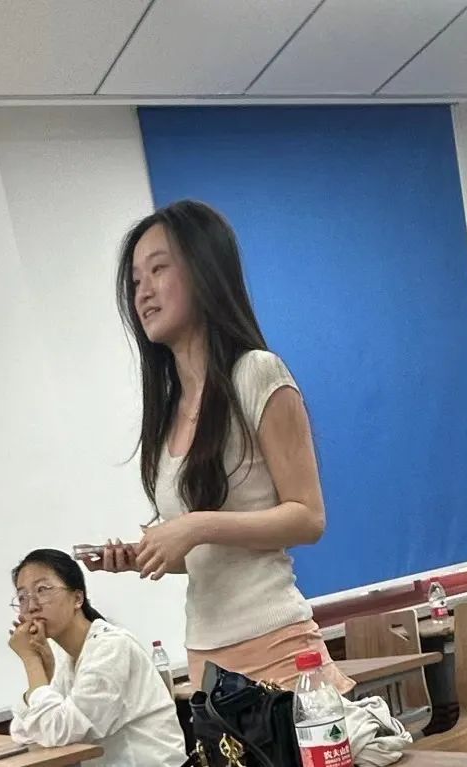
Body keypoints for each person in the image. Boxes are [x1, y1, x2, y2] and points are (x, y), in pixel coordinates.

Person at [83, 199, 354, 694]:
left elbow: (308, 517)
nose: (143, 291)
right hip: (205, 656)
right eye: (136, 280)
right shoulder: (169, 410)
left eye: (159, 269)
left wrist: (194, 526)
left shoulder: (256, 373)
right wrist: (148, 553)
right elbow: (206, 553)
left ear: (204, 271)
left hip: (276, 643)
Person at [7, 549, 186, 767]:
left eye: (42, 590)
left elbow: (60, 731)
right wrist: (44, 673)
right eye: (22, 597)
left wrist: (31, 661)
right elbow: (23, 733)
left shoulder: (111, 648)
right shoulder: (65, 657)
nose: (31, 606)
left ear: (77, 598)